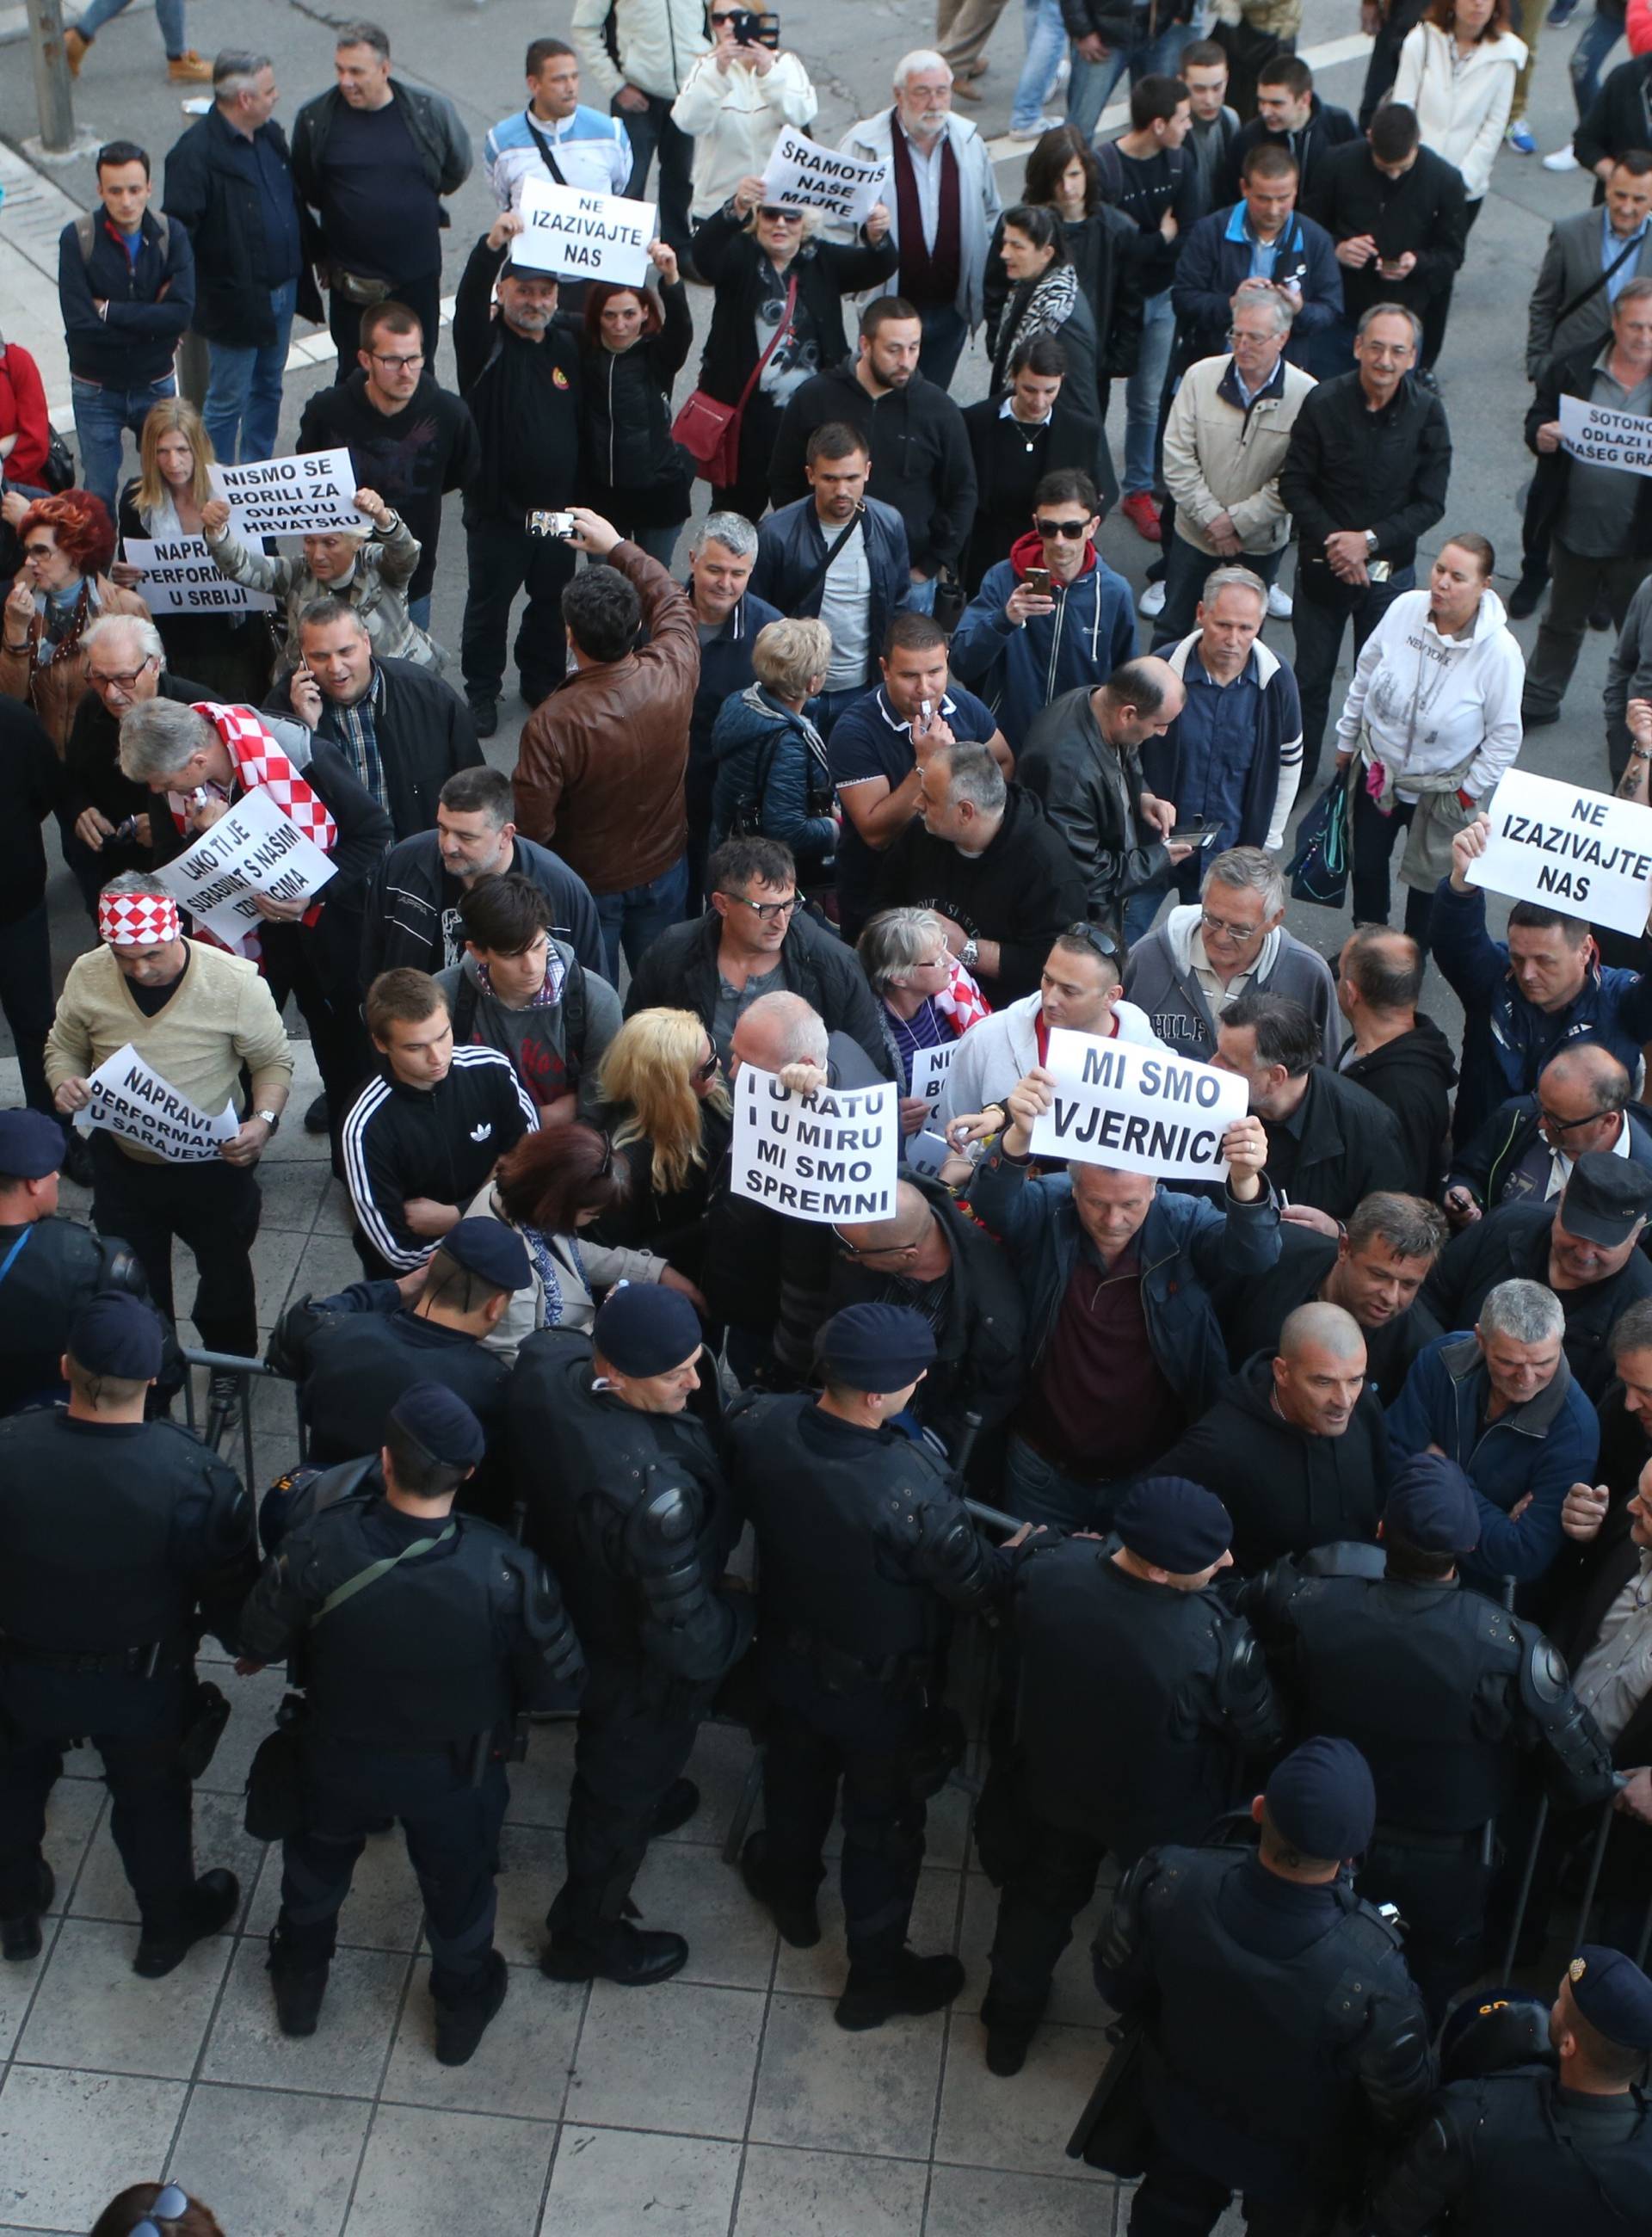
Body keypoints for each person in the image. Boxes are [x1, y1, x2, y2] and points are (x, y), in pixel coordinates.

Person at [242, 1383, 583, 2064]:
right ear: (470, 1475)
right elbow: (559, 1685)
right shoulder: (508, 1571)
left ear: (386, 1460)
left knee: (313, 1876)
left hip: (334, 1756)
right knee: (458, 1894)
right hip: (455, 1774)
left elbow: (255, 1640)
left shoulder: (319, 1545)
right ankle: (458, 2017)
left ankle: (301, 1992)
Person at [727, 1303, 1017, 2027]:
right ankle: (873, 1979)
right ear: (884, 1394)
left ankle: (791, 1896)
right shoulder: (910, 1490)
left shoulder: (759, 1424)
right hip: (882, 1695)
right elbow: (975, 1584)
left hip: (786, 1658)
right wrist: (1019, 1556)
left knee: (793, 1783)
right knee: (881, 1830)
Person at [1244, 1453, 1616, 2018]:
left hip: (1324, 1829)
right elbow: (1584, 1776)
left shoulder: (1311, 1600)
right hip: (1445, 1859)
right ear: (1469, 1546)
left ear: (1380, 1531)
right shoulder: (1510, 1648)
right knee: (1426, 1990)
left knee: (1303, 1967)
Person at [978, 1478, 1281, 2073]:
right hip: (1157, 1816)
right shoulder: (1212, 1646)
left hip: (1052, 1785)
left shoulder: (1051, 1573)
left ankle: (1007, 2028)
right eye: (1211, 1555)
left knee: (1035, 1907)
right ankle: (1149, 2046)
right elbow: (1262, 1731)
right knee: (1162, 1929)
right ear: (1163, 1572)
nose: (1227, 1560)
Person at [0, 1294, 254, 1976]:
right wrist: (245, 1644)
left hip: (18, 1670)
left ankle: (15, 1911)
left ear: (64, 1367)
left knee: (13, 1786)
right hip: (140, 1683)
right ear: (151, 1382)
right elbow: (228, 1588)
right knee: (151, 1803)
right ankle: (166, 1930)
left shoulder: (10, 1448)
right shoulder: (194, 1477)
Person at [1090, 1737, 1435, 2234]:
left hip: (1180, 2115)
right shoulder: (1376, 1976)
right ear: (1354, 1854)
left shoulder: (1168, 1879)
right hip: (1294, 2165)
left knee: (1166, 2215)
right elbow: (1402, 2106)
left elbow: (1115, 1985)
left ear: (1257, 1810)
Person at [509, 1285, 752, 1984]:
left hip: (574, 1599)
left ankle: (650, 1792)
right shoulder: (655, 1497)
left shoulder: (546, 1363)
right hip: (637, 1656)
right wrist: (742, 1612)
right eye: (674, 1373)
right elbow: (692, 1642)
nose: (695, 1381)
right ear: (613, 1373)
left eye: (694, 1360)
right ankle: (584, 1937)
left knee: (626, 1765)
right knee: (615, 1804)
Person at [968, 1063, 1276, 1525]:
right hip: (1042, 1467)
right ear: (1072, 1189)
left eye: (1130, 1204)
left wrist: (1246, 1182)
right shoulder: (1051, 1209)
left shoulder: (1185, 1223)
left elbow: (1255, 1256)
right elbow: (994, 1204)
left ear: (1156, 1189)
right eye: (1097, 1203)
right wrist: (1017, 1135)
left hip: (1151, 1471)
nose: (1113, 1221)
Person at [46, 874, 293, 1385]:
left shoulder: (235, 981)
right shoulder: (87, 975)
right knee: (132, 1279)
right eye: (124, 957)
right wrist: (63, 1080)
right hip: (124, 1163)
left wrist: (263, 1123)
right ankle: (152, 1369)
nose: (139, 969)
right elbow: (63, 1045)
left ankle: (229, 1362)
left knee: (225, 1275)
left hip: (212, 1165)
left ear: (176, 928)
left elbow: (272, 1062)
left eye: (153, 955)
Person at [120, 696, 390, 1146]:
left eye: (165, 782)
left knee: (343, 1055)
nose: (160, 790)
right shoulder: (175, 782)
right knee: (237, 1056)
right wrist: (207, 841)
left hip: (324, 936)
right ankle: (239, 1153)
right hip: (241, 945)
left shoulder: (302, 756)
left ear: (198, 761)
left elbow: (372, 834)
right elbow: (166, 865)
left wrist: (312, 895)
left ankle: (355, 1157)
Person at [514, 508, 698, 982]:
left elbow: (533, 827)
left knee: (591, 999)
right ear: (636, 627)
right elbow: (672, 599)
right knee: (664, 992)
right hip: (666, 865)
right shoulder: (674, 669)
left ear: (570, 635)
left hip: (588, 886)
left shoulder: (553, 723)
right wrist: (617, 544)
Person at [1278, 303, 1452, 789]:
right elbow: (1294, 484)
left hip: (1389, 576)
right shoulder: (1323, 402)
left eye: (1398, 350)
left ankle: (1363, 782)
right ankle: (1299, 775)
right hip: (1321, 565)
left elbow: (1430, 503)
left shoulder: (1428, 413)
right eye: (1375, 346)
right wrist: (1339, 545)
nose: (1385, 359)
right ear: (1357, 347)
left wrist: (1368, 542)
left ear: (1413, 357)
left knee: (1381, 687)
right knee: (1310, 679)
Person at [1365, 1946, 1652, 2232]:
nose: (1551, 2007)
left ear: (1568, 2044)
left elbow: (1390, 2224)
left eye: (1560, 2002)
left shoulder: (1474, 2117)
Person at [1334, 533, 1523, 945]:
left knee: (1429, 884)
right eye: (1439, 570)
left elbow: (1505, 735)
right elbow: (1365, 674)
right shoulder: (1404, 608)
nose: (1442, 583)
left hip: (1442, 792)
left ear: (1484, 586)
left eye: (1458, 576)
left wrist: (1468, 793)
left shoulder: (1500, 653)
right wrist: (1347, 740)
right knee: (1365, 866)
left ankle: (1412, 958)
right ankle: (1371, 946)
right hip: (1378, 772)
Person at [700, 989, 889, 1382]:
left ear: (803, 1066)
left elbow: (807, 1270)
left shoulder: (828, 1147)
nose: (731, 1072)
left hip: (772, 1326)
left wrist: (786, 1362)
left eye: (747, 1063)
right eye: (733, 1054)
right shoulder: (834, 1048)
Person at [690, 174, 897, 525]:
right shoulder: (739, 255)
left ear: (806, 223)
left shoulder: (822, 259)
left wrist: (877, 236)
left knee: (808, 514)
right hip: (748, 416)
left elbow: (879, 264)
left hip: (811, 417)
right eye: (771, 215)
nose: (781, 224)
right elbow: (704, 256)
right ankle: (724, 578)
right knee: (733, 516)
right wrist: (735, 207)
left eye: (792, 217)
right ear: (758, 218)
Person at [1431, 817, 1652, 1142]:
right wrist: (1462, 883)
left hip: (1572, 1178)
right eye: (1518, 958)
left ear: (1585, 950)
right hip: (1480, 1164)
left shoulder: (1620, 1000)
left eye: (1545, 961)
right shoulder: (1495, 979)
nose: (1527, 973)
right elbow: (1457, 944)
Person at [453, 213, 583, 736]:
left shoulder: (565, 347)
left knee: (551, 602)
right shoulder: (483, 344)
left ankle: (540, 679)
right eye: (523, 290)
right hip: (499, 514)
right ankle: (481, 692)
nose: (535, 300)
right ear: (502, 292)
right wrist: (490, 247)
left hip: (554, 516)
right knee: (489, 607)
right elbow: (464, 308)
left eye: (545, 291)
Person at [1388, 1278, 1602, 1591]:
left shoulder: (1576, 1430)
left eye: (1543, 1363)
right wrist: (1494, 1517)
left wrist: (1440, 1476)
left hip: (1481, 1600)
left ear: (1560, 1344)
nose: (1527, 1379)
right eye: (1508, 1362)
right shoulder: (1442, 1359)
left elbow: (1521, 1554)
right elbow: (1389, 1453)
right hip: (1396, 1564)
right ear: (1481, 1339)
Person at [767, 297, 977, 612]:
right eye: (894, 349)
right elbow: (783, 477)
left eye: (914, 347)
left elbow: (963, 492)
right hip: (820, 571)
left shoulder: (939, 411)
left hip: (905, 581)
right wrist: (802, 548)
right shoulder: (815, 397)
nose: (906, 360)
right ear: (865, 344)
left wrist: (929, 567)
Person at [290, 20, 472, 379]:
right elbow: (307, 187)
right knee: (355, 376)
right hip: (353, 287)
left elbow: (456, 167)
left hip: (416, 280)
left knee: (417, 373)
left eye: (356, 71)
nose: (346, 81)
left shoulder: (428, 111)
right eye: (340, 70)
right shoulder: (316, 120)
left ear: (385, 69)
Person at [161, 51, 314, 468]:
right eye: (269, 90)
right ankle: (217, 481)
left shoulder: (268, 135)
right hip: (234, 302)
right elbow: (178, 239)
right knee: (228, 398)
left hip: (281, 290)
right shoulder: (194, 156)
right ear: (244, 100)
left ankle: (258, 469)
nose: (276, 96)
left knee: (269, 384)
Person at [1156, 1300, 1392, 1570]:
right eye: (1323, 1382)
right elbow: (1153, 1522)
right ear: (1282, 1372)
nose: (1344, 1400)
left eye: (1355, 1380)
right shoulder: (1220, 1444)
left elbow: (1382, 1491)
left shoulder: (1364, 1406)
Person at [268, 1219, 523, 1467]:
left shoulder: (336, 1334)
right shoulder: (493, 1389)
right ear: (496, 1306)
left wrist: (398, 1288)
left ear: (431, 1264)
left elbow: (292, 1330)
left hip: (325, 1500)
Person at [625, 836, 891, 1075]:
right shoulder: (672, 953)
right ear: (722, 904)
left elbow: (867, 1067)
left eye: (788, 905)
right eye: (765, 909)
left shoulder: (835, 965)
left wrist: (825, 1077)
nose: (780, 922)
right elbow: (635, 1047)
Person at [294, 299, 482, 633]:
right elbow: (309, 473)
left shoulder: (450, 414)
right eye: (393, 360)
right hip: (339, 575)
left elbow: (460, 472)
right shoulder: (327, 412)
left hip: (410, 580)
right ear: (366, 359)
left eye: (414, 358)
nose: (406, 371)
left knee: (406, 678)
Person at [828, 610, 1011, 940]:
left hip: (955, 892)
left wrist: (975, 833)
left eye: (935, 672)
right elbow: (875, 833)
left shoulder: (964, 707)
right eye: (909, 675)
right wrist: (926, 762)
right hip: (882, 898)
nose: (924, 689)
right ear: (884, 669)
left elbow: (1005, 761)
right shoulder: (855, 731)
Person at [869, 739, 1089, 1007]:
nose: (916, 804)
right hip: (917, 1002)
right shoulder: (922, 834)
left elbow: (1051, 965)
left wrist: (965, 949)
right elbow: (882, 903)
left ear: (965, 811)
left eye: (929, 798)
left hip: (1002, 1014)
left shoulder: (1048, 870)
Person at [1520, 281, 1652, 728]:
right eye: (1635, 325)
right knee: (1561, 620)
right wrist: (1540, 435)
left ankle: (1638, 725)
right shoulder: (1574, 368)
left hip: (1640, 545)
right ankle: (1538, 698)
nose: (1645, 336)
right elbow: (1537, 415)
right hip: (1574, 531)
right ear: (1615, 323)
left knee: (1640, 640)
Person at [827, 1178, 1027, 1466]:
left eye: (854, 1252)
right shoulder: (875, 1229)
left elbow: (997, 1390)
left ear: (907, 1255)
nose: (847, 1256)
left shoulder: (992, 1308)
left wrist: (930, 1445)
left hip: (915, 1438)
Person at [1426, 1153, 1652, 1404]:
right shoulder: (1506, 1226)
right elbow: (1429, 1299)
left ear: (1635, 1236)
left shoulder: (1640, 1307)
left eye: (1604, 1244)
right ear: (1561, 1202)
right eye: (1576, 1232)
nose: (1584, 1253)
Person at [1157, 284, 1316, 640]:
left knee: (1240, 640)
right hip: (1195, 536)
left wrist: (1239, 523)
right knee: (1173, 627)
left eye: (1255, 338)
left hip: (1258, 545)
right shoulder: (1200, 377)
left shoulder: (1307, 395)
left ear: (1282, 338)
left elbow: (1297, 476)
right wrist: (1213, 519)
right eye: (1237, 334)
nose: (1242, 346)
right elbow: (1177, 455)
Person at [837, 52, 1004, 391]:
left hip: (949, 310)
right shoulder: (862, 145)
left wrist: (978, 275)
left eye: (942, 91)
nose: (934, 102)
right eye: (922, 92)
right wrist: (867, 239)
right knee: (880, 401)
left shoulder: (969, 141)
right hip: (888, 315)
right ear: (899, 95)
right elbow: (834, 224)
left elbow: (991, 213)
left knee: (929, 400)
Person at [466, 1122, 697, 1364]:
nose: (595, 1220)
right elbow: (520, 1363)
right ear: (557, 1202)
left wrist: (654, 1271)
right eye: (591, 1214)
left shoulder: (514, 1200)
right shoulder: (510, 1278)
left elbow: (568, 1252)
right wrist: (609, 1324)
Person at [1088, 76, 1205, 548]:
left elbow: (1192, 227)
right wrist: (1159, 239)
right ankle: (1089, 485)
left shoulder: (1180, 159)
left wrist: (1146, 243)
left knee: (1147, 399)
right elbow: (1110, 242)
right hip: (1112, 304)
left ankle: (1136, 489)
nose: (1189, 125)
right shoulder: (1104, 166)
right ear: (1158, 124)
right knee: (1092, 399)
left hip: (1160, 298)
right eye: (1183, 118)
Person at [0, 1109, 178, 1417]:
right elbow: (160, 1361)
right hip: (65, 1426)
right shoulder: (93, 1263)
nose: (57, 1176)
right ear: (34, 1184)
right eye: (53, 1171)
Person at [362, 764, 604, 986]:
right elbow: (372, 954)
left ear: (506, 835)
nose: (448, 846)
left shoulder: (561, 891)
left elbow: (590, 986)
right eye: (443, 829)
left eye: (466, 837)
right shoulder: (404, 864)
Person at [950, 467, 1137, 752]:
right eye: (1049, 529)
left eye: (1072, 529)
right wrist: (1004, 620)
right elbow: (962, 662)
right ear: (1036, 525)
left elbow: (1128, 686)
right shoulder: (1003, 579)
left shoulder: (1114, 593)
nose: (1060, 541)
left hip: (1078, 749)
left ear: (1093, 526)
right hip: (1007, 742)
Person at [262, 601, 481, 844]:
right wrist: (306, 732)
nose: (335, 668)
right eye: (320, 657)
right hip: (339, 871)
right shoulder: (281, 710)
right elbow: (276, 800)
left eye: (346, 652)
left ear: (366, 643)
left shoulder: (428, 695)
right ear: (302, 656)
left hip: (417, 865)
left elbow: (475, 786)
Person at [1147, 571, 1304, 903]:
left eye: (1245, 628)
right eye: (1223, 625)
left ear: (1259, 624)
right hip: (1152, 848)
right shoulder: (1160, 668)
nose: (1233, 639)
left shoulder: (1277, 680)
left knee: (1206, 951)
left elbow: (1289, 763)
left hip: (1228, 856)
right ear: (1201, 613)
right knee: (1124, 940)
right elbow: (1124, 751)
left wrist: (1267, 842)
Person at [57, 141, 195, 513]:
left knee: (170, 482)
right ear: (100, 191)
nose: (126, 201)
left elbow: (181, 315)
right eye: (115, 191)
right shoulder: (78, 240)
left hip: (154, 381)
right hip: (96, 389)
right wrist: (153, 322)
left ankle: (165, 565)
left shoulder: (171, 235)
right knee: (99, 492)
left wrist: (109, 311)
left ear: (150, 188)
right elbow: (80, 327)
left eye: (135, 190)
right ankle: (102, 566)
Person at [749, 423, 911, 738]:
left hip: (862, 691)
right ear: (811, 475)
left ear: (867, 471)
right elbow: (757, 615)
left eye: (851, 478)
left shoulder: (888, 523)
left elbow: (900, 607)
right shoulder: (776, 533)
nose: (841, 490)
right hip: (793, 691)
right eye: (830, 478)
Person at [1217, 1188, 1448, 1402]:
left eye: (1409, 1285)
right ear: (1345, 1248)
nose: (1391, 1297)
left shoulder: (1420, 1350)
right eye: (1379, 1275)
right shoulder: (1274, 1256)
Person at [1018, 655, 1193, 938]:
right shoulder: (1069, 775)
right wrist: (1160, 858)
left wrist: (1142, 797)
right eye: (1159, 724)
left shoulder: (1095, 702)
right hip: (1072, 923)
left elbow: (1125, 758)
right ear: (1128, 714)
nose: (1163, 732)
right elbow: (1091, 876)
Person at [435, 873, 621, 1128]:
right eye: (512, 955)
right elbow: (431, 1098)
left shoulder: (596, 1000)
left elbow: (599, 1112)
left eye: (537, 946)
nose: (532, 967)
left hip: (564, 1150)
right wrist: (542, 1117)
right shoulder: (443, 996)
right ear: (477, 952)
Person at [1125, 843, 1341, 1063]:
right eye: (1212, 920)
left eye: (1240, 930)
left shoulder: (1307, 975)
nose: (1221, 938)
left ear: (1274, 919)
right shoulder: (1147, 958)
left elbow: (1323, 1076)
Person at [111, 402, 267, 703]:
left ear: (199, 447)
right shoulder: (136, 500)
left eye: (182, 450)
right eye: (162, 452)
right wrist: (123, 577)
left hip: (234, 640)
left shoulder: (234, 492)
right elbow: (131, 564)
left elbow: (266, 560)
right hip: (174, 642)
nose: (173, 462)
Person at [939, 924, 1164, 1130]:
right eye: (1048, 980)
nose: (1050, 999)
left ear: (1111, 996)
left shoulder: (1154, 1062)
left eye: (1069, 991)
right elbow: (951, 1138)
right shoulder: (986, 1038)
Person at [200, 482, 435, 677]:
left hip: (392, 681)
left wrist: (384, 518)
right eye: (309, 542)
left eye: (329, 543)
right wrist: (217, 532)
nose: (317, 554)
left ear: (357, 542)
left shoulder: (377, 565)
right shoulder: (297, 572)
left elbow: (406, 554)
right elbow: (243, 567)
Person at [1212, 990, 1412, 1218]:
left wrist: (1340, 1231)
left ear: (1276, 1077)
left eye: (1229, 1062)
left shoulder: (1370, 1129)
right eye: (1217, 1051)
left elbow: (1392, 1226)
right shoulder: (1209, 1102)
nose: (1211, 1065)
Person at [1302, 103, 1469, 373]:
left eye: (1402, 168)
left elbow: (1452, 254)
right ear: (1369, 137)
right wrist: (1337, 249)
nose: (1393, 175)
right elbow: (1306, 229)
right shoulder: (1337, 164)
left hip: (1402, 318)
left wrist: (1417, 262)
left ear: (1418, 141)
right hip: (1340, 311)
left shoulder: (1445, 181)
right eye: (1384, 167)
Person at [59, 618, 201, 921]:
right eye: (98, 677)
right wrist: (78, 808)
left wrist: (167, 826)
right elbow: (71, 775)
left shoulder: (198, 709)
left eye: (125, 678)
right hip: (110, 870)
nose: (110, 694)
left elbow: (232, 804)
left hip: (179, 883)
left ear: (155, 665)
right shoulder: (91, 706)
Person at [1169, 145, 1343, 376]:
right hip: (1216, 368)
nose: (1273, 210)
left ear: (1296, 190)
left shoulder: (1315, 239)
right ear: (1244, 188)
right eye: (1263, 199)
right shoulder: (1211, 231)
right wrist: (1231, 304)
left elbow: (1330, 309)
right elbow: (1183, 298)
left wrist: (1298, 310)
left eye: (1283, 199)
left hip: (1285, 375)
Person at [1, 493, 150, 754]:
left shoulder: (124, 608)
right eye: (28, 551)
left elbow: (150, 698)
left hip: (106, 763)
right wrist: (15, 631)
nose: (29, 561)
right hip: (41, 759)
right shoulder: (20, 607)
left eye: (41, 552)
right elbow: (9, 699)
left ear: (75, 553)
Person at [683, 515, 781, 908]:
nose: (726, 584)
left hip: (733, 794)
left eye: (737, 573)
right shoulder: (659, 616)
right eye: (715, 570)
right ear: (692, 560)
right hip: (668, 788)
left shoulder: (769, 631)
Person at [574, 251, 695, 569]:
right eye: (609, 315)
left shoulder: (657, 353)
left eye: (629, 314)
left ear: (645, 312)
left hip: (656, 494)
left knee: (652, 586)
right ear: (596, 316)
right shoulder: (584, 348)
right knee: (604, 590)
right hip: (603, 495)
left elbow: (681, 330)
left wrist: (671, 278)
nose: (619, 325)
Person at [591, 1008, 732, 1277]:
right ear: (672, 1087)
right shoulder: (621, 1162)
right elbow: (612, 1251)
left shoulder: (711, 1099)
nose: (720, 1065)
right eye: (708, 1067)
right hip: (668, 1277)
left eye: (713, 1049)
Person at [570, 0, 709, 261]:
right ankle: (625, 260)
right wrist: (616, 85)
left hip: (688, 92)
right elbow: (584, 27)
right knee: (629, 183)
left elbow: (721, 13)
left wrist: (708, 67)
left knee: (680, 177)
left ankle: (678, 249)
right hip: (635, 94)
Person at [706, 617, 837, 893]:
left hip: (729, 852)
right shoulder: (788, 741)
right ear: (813, 683)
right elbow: (787, 830)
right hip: (764, 879)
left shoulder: (740, 701)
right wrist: (834, 827)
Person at [1447, 1045, 1652, 1221]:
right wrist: (1465, 1191)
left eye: (1556, 1120)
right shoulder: (1518, 1116)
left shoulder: (1647, 1180)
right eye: (1541, 1105)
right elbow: (1469, 1172)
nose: (1541, 1123)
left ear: (1608, 1122)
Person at [961, 336, 1099, 593]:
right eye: (1029, 390)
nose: (1039, 402)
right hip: (985, 553)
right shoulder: (975, 422)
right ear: (1013, 377)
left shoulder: (1081, 433)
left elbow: (1092, 495)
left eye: (1050, 391)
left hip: (1046, 555)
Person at [1334, 927, 1457, 1196]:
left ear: (1352, 993)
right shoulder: (1366, 1047)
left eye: (1340, 975)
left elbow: (1398, 1202)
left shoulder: (1402, 1093)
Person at [671, 7, 819, 228]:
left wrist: (767, 73)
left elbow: (801, 114)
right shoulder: (706, 67)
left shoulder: (785, 64)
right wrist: (718, 72)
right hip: (720, 206)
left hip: (778, 209)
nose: (729, 26)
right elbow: (688, 121)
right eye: (719, 19)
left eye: (737, 17)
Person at [1393, 0, 1527, 222]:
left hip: (1465, 187)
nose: (1478, 4)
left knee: (1445, 254)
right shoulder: (1421, 40)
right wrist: (1413, 168)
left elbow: (1494, 125)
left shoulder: (1507, 53)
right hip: (1413, 178)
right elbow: (1403, 108)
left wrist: (1463, 179)